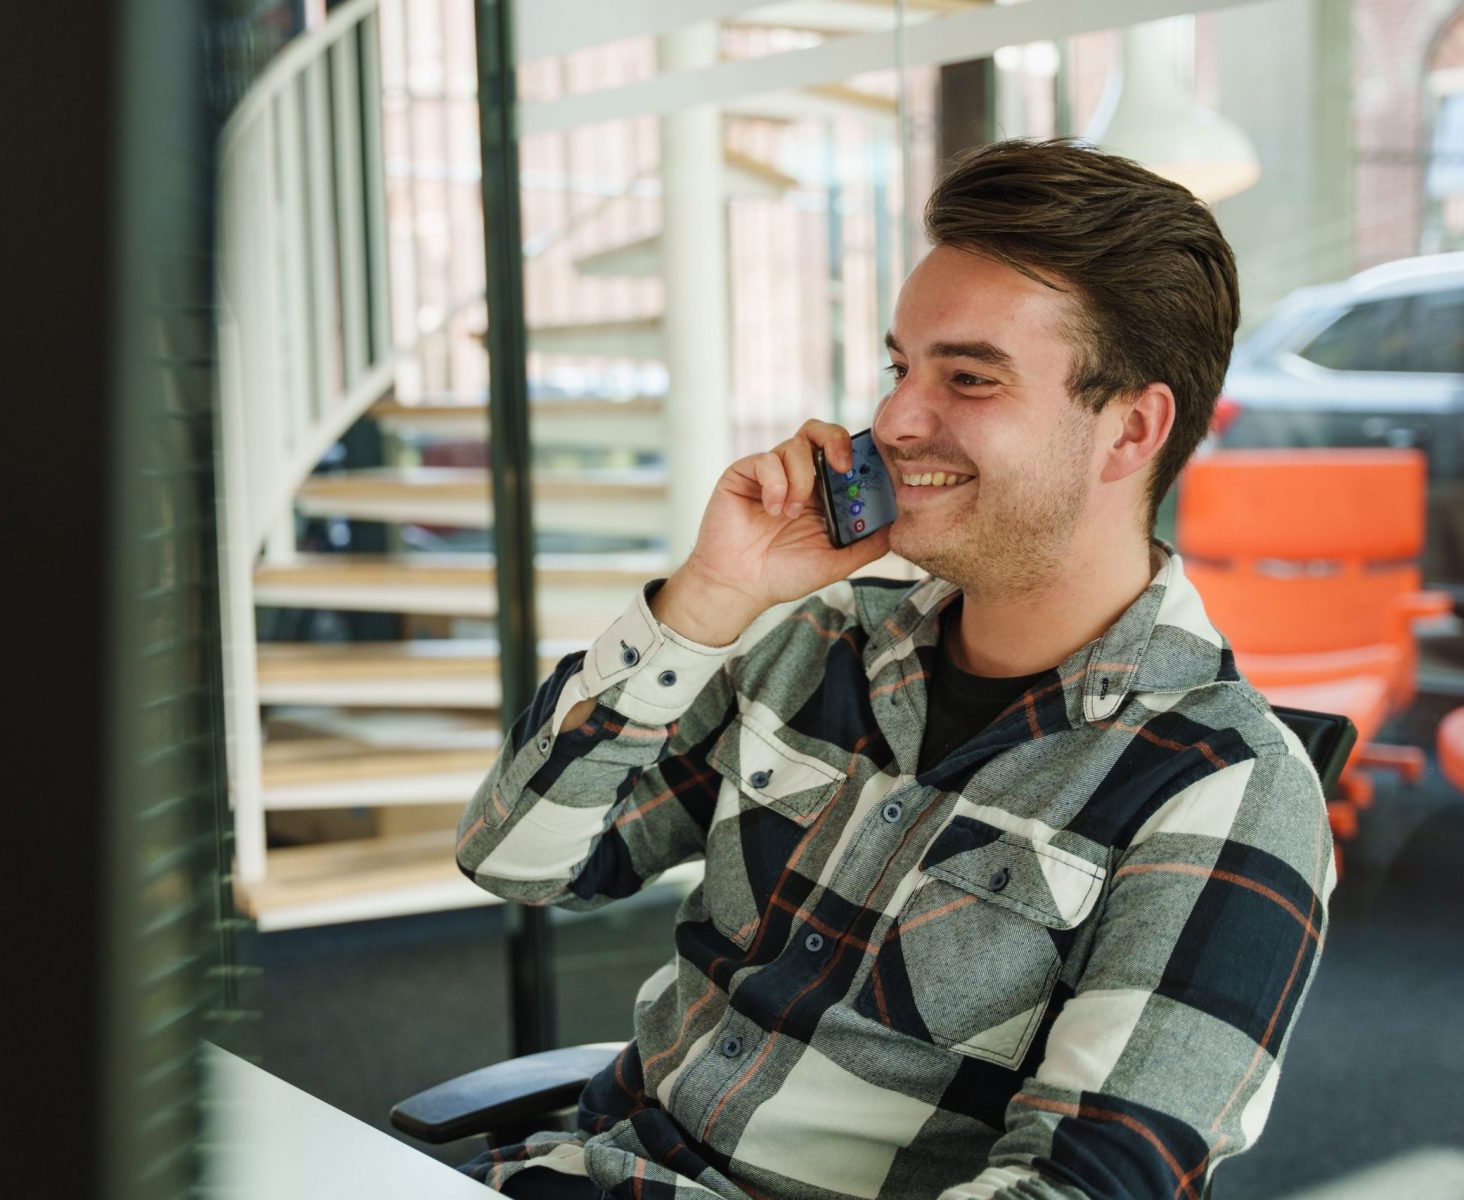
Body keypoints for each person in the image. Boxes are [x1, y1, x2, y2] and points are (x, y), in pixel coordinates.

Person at [455, 138, 1335, 1200]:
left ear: (1129, 430)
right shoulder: (818, 639)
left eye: (967, 378)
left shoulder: (1227, 788)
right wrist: (705, 603)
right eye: (898, 367)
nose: (893, 420)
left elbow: (1080, 1186)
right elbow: (518, 856)